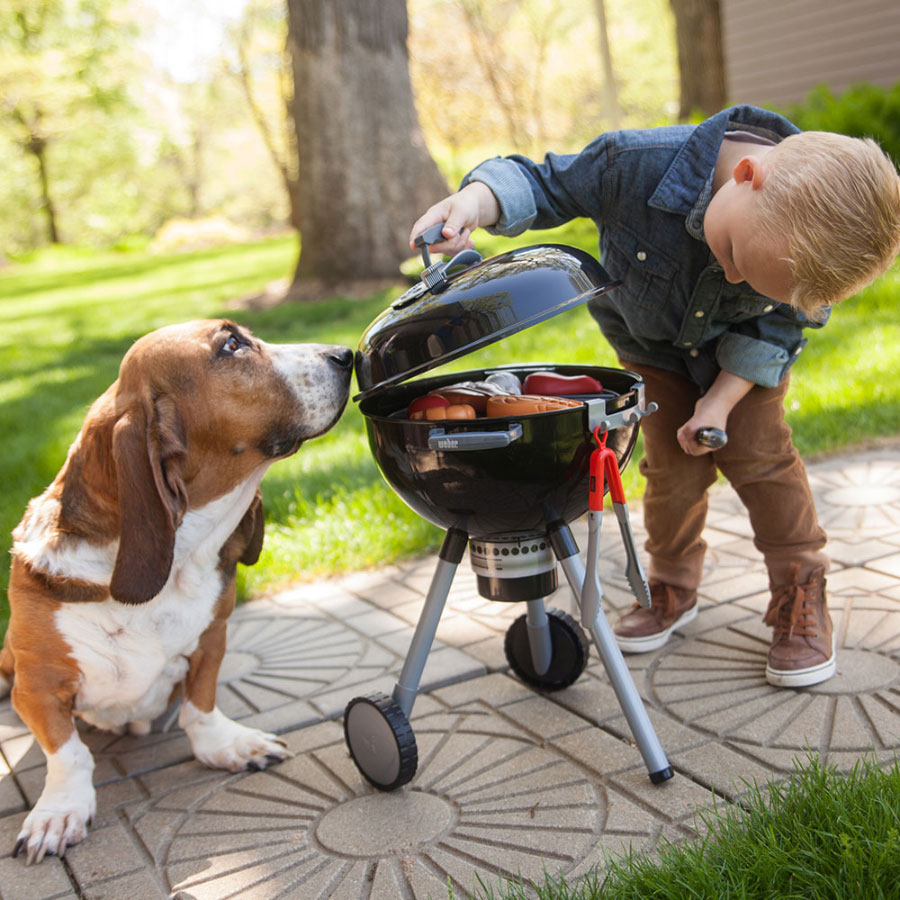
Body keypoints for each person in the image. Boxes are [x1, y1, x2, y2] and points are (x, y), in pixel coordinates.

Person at [409, 105, 900, 688]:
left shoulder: (804, 250)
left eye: (752, 281)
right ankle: (669, 584)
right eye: (739, 258)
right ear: (748, 174)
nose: (737, 280)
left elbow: (773, 330)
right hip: (652, 345)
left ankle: (800, 590)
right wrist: (473, 204)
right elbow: (542, 182)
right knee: (671, 469)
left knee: (762, 458)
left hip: (743, 362)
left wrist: (718, 403)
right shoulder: (632, 165)